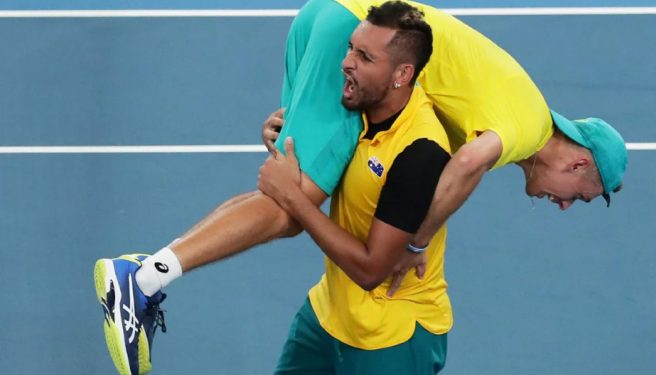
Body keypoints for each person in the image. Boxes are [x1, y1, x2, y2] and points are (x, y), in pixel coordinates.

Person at [93, 0, 628, 373]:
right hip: (361, 37)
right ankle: (141, 280)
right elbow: (468, 164)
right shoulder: (526, 125)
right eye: (578, 194)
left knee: (288, 185)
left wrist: (296, 121)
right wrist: (415, 242)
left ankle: (148, 271)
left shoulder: (486, 104)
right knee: (289, 206)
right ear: (580, 163)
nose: (564, 204)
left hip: (331, 17)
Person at [257, 4, 451, 372]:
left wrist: (292, 197)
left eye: (364, 56)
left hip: (391, 337)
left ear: (401, 74)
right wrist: (286, 134)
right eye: (350, 48)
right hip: (328, 314)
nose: (346, 62)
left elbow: (370, 269)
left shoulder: (420, 151)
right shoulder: (359, 106)